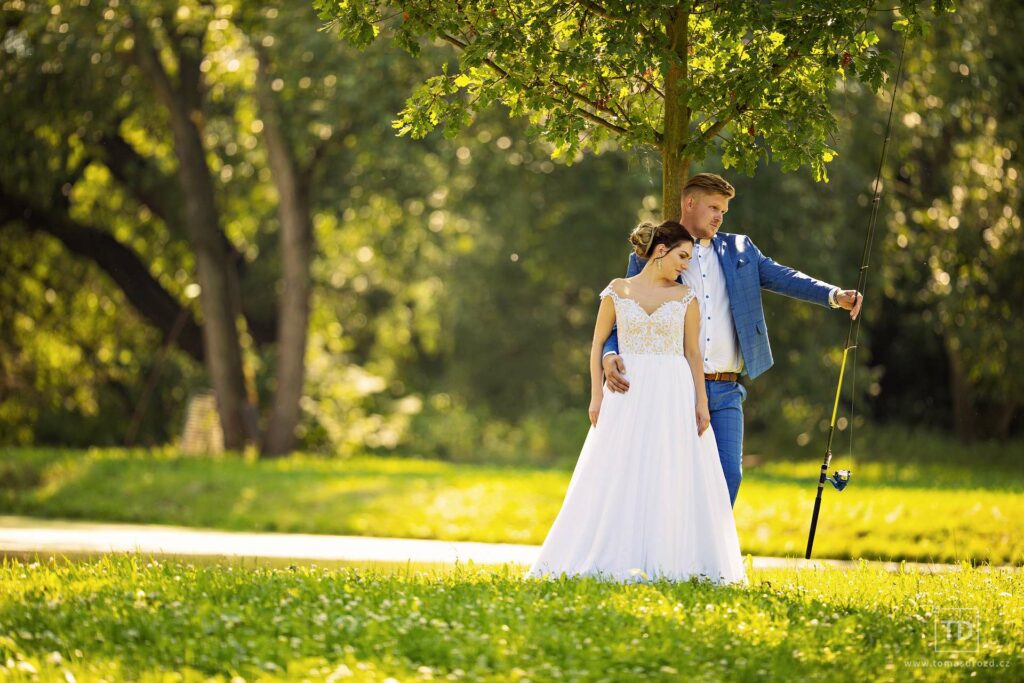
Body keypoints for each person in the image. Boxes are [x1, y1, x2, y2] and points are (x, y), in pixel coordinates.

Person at [602, 173, 863, 507]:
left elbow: (784, 277)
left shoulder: (741, 249)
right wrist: (609, 354)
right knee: (671, 475)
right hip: (674, 385)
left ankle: (712, 558)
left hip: (727, 388)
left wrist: (834, 295)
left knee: (729, 474)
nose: (719, 217)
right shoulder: (656, 250)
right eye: (713, 207)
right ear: (689, 203)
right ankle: (676, 556)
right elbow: (624, 315)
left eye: (723, 211)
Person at [525, 220, 746, 584]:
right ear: (661, 250)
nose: (685, 266)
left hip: (673, 391)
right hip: (626, 393)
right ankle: (615, 552)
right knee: (619, 469)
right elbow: (598, 344)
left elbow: (692, 353)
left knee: (668, 469)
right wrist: (596, 396)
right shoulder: (617, 290)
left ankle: (671, 558)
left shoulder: (684, 298)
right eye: (681, 256)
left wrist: (701, 403)